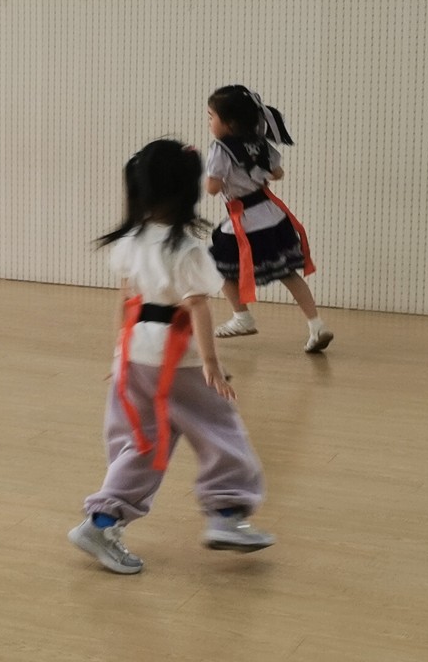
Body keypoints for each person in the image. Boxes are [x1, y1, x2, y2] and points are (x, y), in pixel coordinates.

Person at [69, 139, 274, 575]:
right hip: (177, 359)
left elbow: (126, 300)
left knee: (143, 443)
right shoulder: (187, 250)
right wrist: (212, 364)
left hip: (137, 354)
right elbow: (197, 307)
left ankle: (102, 521)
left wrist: (119, 353)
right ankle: (227, 514)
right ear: (187, 192)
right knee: (220, 429)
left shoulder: (130, 243)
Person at [205, 85, 332, 353]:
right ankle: (317, 325)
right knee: (288, 273)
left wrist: (219, 178)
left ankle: (242, 316)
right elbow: (278, 173)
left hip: (246, 221)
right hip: (272, 215)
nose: (209, 122)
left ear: (229, 122)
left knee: (217, 266)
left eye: (211, 116)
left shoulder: (220, 149)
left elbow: (213, 188)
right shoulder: (260, 143)